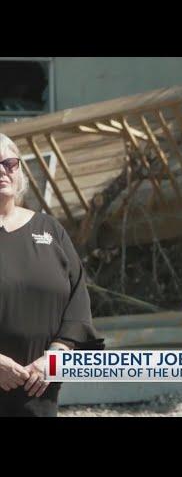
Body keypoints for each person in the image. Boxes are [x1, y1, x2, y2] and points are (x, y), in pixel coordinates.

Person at [0, 133, 103, 417]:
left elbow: (77, 300)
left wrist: (55, 357)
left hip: (40, 392)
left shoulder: (49, 229)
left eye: (9, 163)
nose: (2, 171)